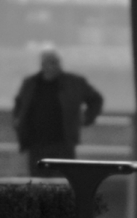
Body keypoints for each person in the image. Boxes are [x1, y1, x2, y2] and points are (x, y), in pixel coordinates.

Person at [12, 48, 104, 177]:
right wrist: (18, 121)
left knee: (63, 180)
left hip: (63, 144)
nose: (53, 66)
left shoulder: (74, 83)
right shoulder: (30, 83)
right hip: (36, 144)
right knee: (38, 184)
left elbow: (96, 99)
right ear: (42, 64)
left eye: (56, 62)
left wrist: (87, 118)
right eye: (50, 62)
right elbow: (19, 104)